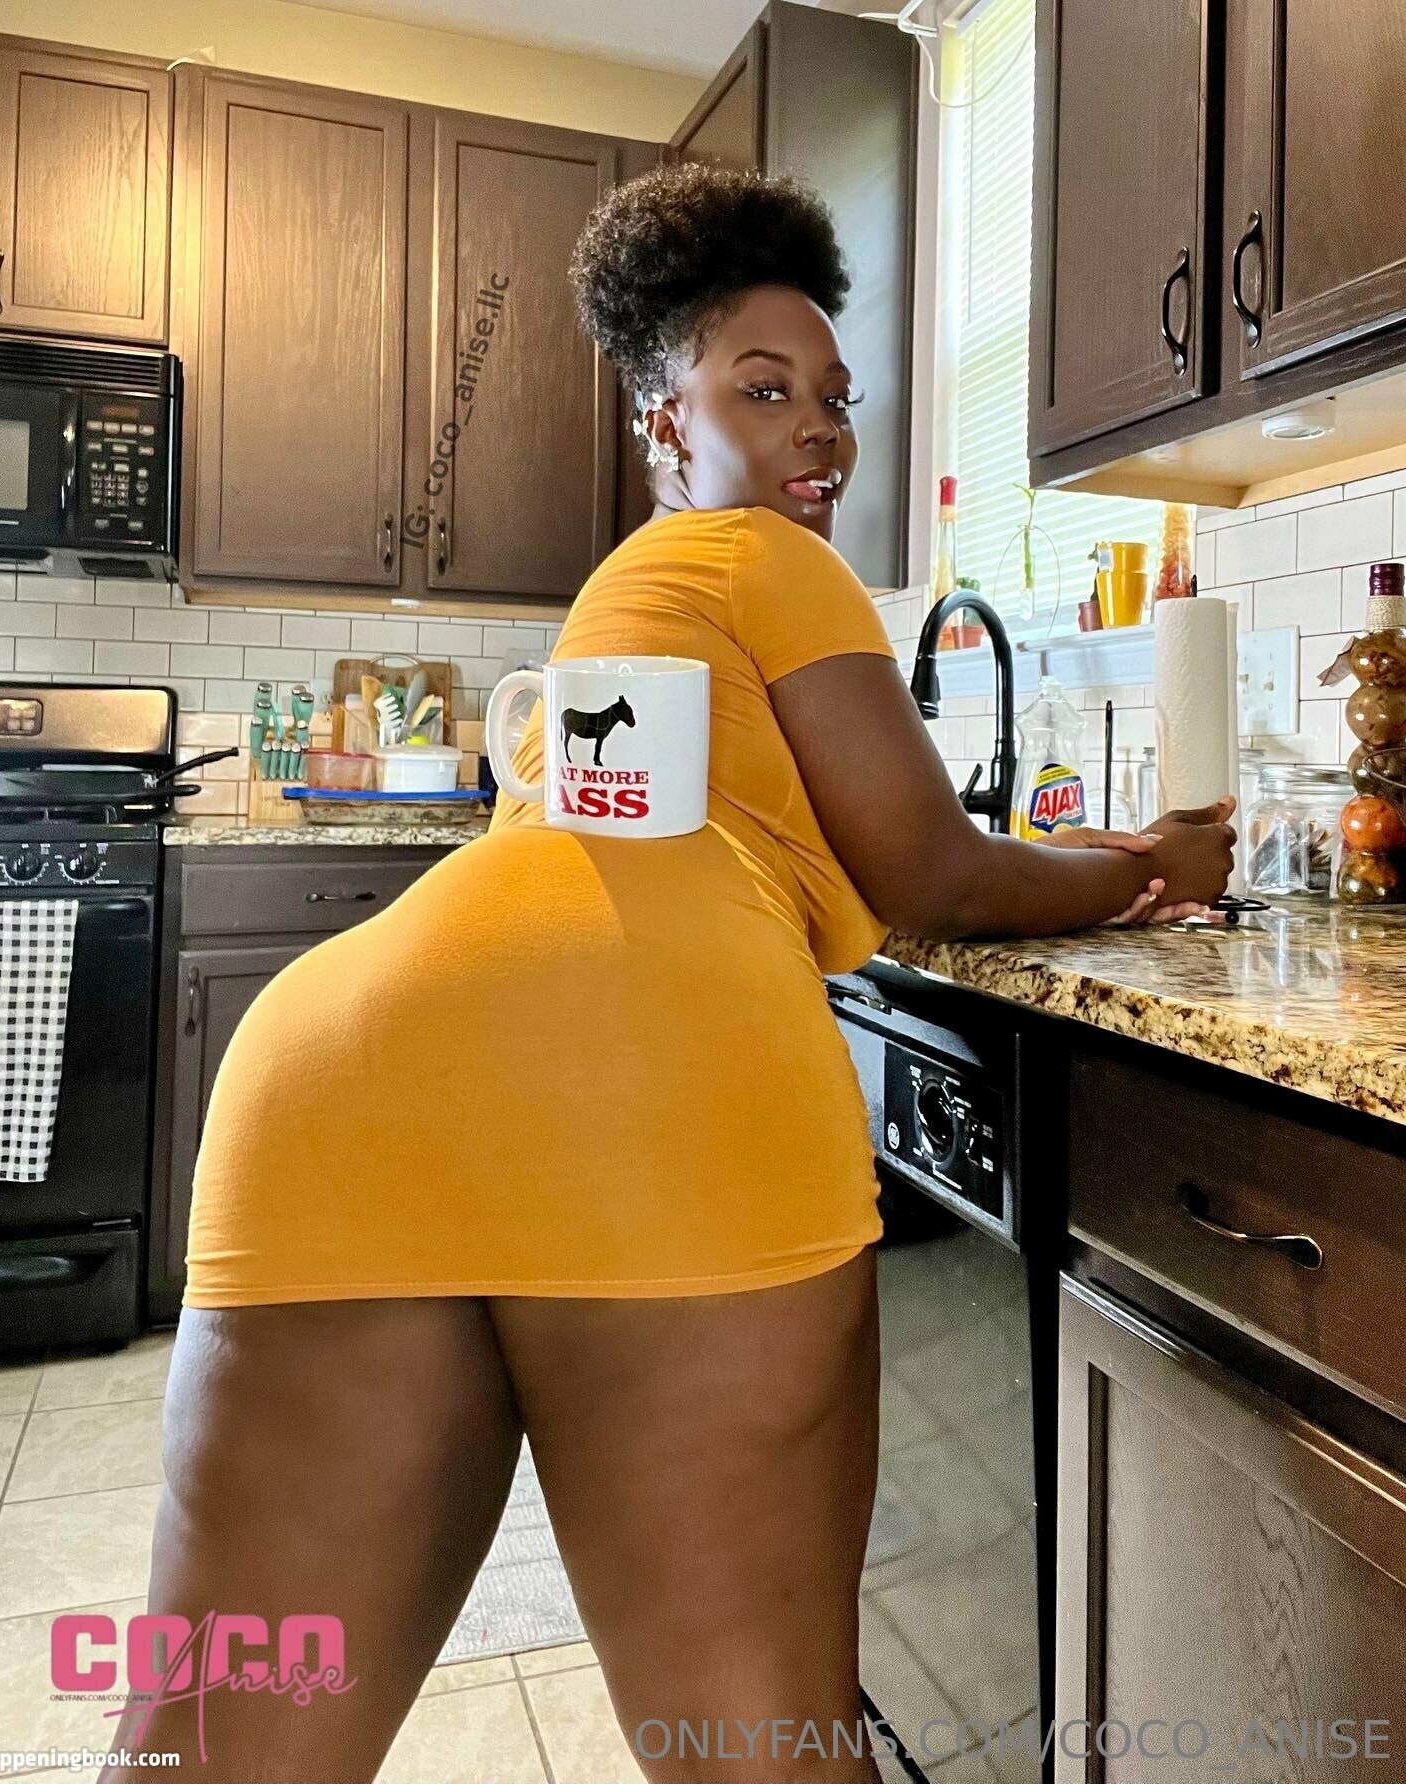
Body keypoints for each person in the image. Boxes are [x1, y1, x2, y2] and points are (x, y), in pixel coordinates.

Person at [102, 162, 1232, 1784]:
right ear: (663, 422)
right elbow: (935, 875)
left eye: (836, 400)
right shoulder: (768, 559)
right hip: (656, 1088)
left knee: (212, 1748)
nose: (818, 432)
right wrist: (1154, 868)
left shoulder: (623, 602)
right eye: (763, 390)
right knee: (759, 1752)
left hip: (338, 1074)